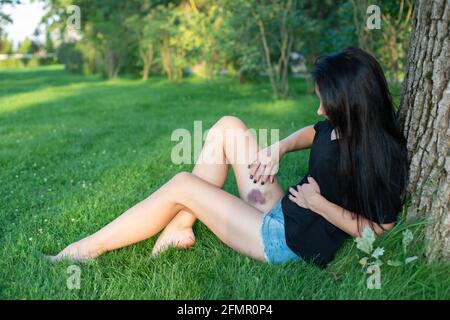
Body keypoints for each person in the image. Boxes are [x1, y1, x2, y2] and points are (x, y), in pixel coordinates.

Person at [50, 48, 408, 268]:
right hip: (285, 212)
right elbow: (312, 132)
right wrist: (278, 148)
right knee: (228, 126)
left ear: (351, 104)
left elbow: (380, 231)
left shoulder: (382, 156)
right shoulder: (340, 125)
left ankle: (86, 249)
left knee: (182, 184)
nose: (319, 109)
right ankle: (179, 228)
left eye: (324, 103)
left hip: (285, 242)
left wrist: (318, 204)